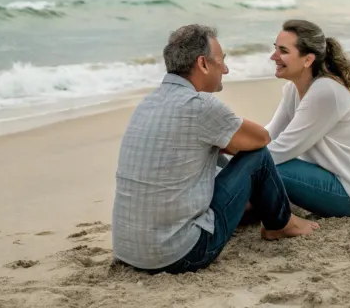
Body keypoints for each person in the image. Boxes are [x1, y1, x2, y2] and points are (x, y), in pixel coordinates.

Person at [112, 24, 318, 275]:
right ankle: (282, 224)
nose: (226, 69)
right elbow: (260, 139)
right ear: (203, 64)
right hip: (179, 254)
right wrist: (223, 143)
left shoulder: (148, 102)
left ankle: (260, 211)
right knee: (258, 157)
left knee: (219, 156)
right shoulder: (199, 104)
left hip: (128, 250)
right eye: (222, 61)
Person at [264, 19, 350, 218]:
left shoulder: (326, 91)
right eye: (275, 48)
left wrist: (235, 165)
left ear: (308, 60)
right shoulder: (293, 90)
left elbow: (281, 150)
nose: (274, 56)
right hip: (324, 178)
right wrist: (230, 146)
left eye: (283, 51)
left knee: (266, 166)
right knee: (254, 162)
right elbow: (269, 135)